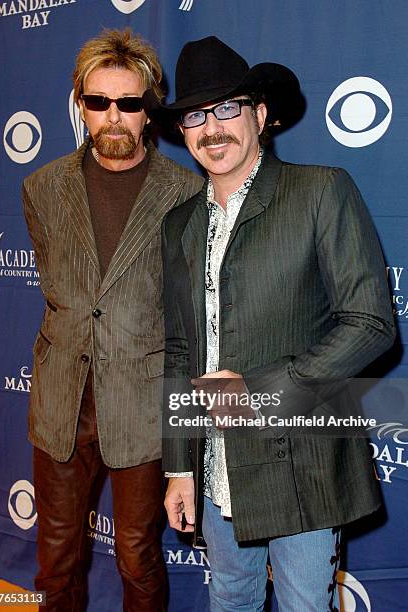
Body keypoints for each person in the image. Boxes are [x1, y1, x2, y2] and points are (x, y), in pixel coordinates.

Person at [143, 36, 396, 611]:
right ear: (182, 130)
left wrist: (257, 391)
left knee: (306, 603)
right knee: (231, 598)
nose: (212, 128)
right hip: (215, 465)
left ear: (260, 114)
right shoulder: (178, 223)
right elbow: (180, 351)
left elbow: (371, 324)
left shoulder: (320, 191)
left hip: (300, 456)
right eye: (195, 116)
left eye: (228, 108)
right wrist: (179, 466)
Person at [22, 28, 202, 612]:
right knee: (57, 557)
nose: (114, 117)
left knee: (137, 555)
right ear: (81, 104)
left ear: (150, 110)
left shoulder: (185, 193)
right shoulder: (42, 188)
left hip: (142, 406)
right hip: (59, 403)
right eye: (100, 103)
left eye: (130, 103)